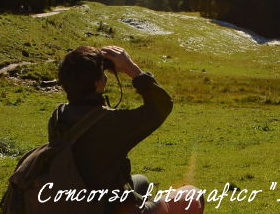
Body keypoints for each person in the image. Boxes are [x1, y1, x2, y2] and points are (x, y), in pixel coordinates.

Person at [49, 45, 203, 214]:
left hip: (74, 200)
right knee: (193, 195)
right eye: (103, 73)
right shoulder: (110, 123)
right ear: (99, 83)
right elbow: (162, 105)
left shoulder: (58, 116)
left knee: (141, 181)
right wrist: (131, 68)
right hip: (106, 208)